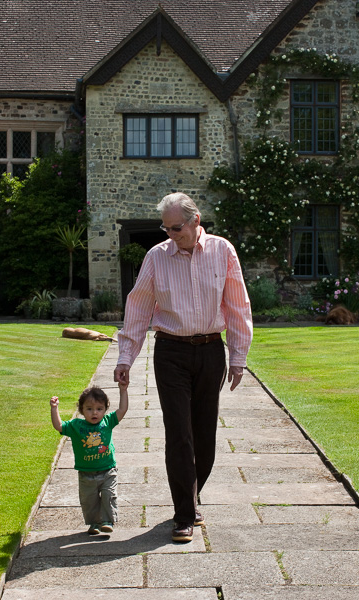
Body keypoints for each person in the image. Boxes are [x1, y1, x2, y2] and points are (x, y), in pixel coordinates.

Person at [114, 192, 252, 543]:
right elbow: (139, 307)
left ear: (195, 221)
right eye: (166, 228)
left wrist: (238, 357)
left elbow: (237, 305)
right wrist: (125, 358)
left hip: (210, 352)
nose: (171, 235)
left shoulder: (223, 251)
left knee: (205, 436)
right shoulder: (157, 257)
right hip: (171, 352)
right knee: (179, 433)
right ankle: (183, 515)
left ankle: (191, 496)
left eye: (176, 228)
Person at [50, 384, 128, 535]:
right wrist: (54, 408)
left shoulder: (108, 421)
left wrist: (123, 391)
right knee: (89, 501)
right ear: (81, 410)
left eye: (99, 409)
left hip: (107, 470)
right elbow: (59, 426)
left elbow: (122, 410)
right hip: (86, 474)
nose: (95, 413)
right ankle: (94, 523)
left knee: (108, 495)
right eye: (89, 409)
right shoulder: (76, 426)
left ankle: (107, 521)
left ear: (105, 409)